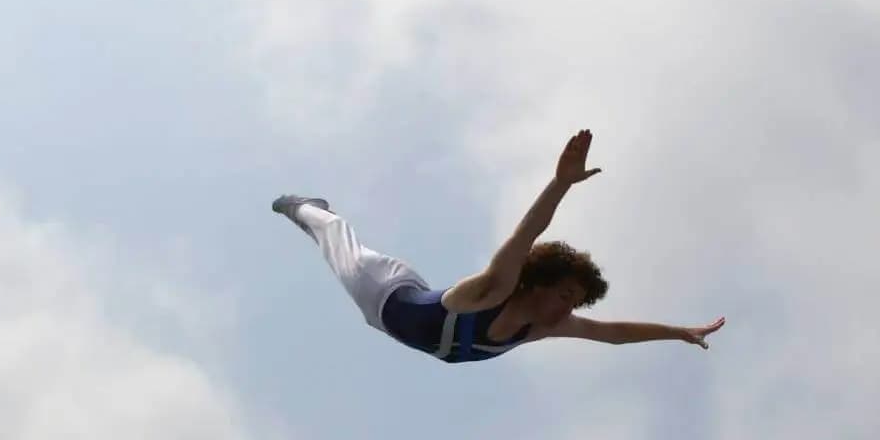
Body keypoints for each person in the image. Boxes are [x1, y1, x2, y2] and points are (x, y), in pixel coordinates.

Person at [272, 129, 725, 364]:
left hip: (410, 328)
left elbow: (611, 332)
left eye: (577, 301)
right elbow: (526, 235)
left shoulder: (547, 326)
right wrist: (561, 183)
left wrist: (680, 331)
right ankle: (305, 207)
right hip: (386, 293)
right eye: (566, 295)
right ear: (537, 284)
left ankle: (311, 212)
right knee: (334, 236)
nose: (570, 309)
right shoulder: (495, 289)